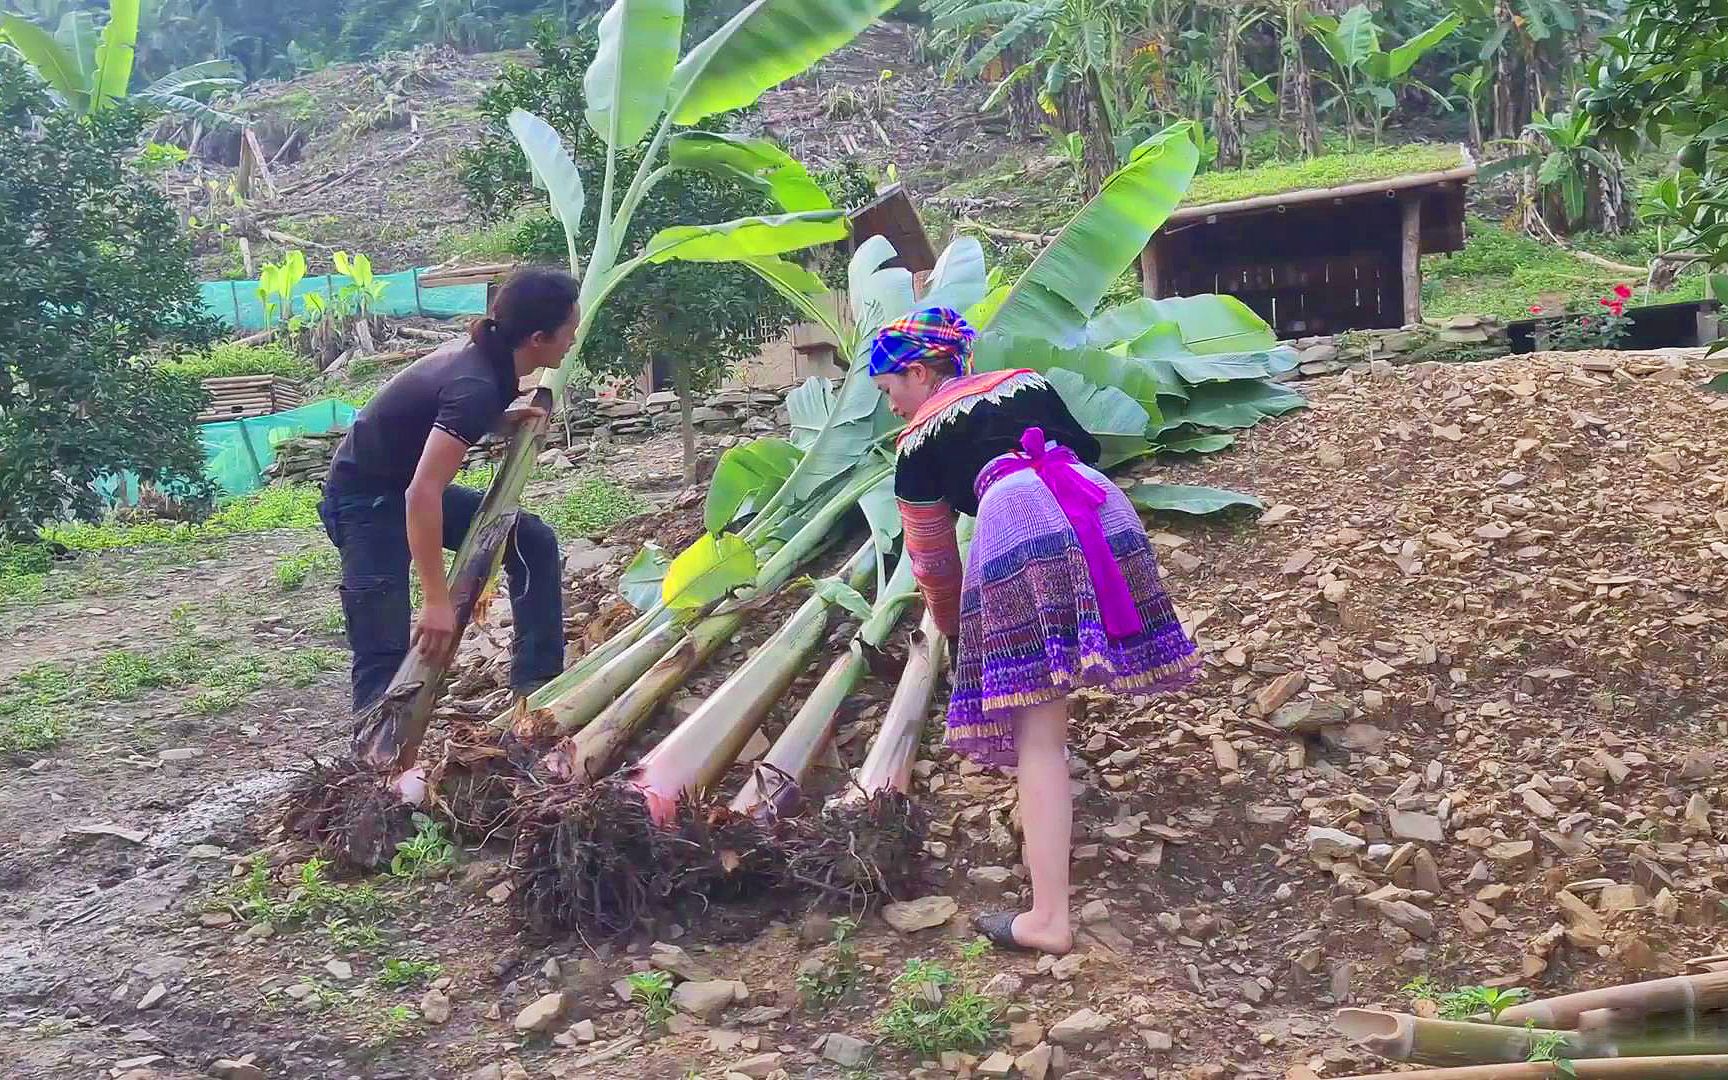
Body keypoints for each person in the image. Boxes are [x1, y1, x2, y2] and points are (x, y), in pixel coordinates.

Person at [872, 307, 1199, 956]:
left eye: (889, 391)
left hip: (1018, 519)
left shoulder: (916, 442)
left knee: (1037, 735)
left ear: (916, 371)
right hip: (1098, 504)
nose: (891, 409)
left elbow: (933, 556)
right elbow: (1091, 448)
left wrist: (950, 624)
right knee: (1058, 696)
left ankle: (1048, 917)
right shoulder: (1025, 381)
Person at [318, 268, 579, 714]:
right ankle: (375, 762)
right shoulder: (476, 384)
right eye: (569, 331)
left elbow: (430, 417)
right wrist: (437, 601)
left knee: (531, 541)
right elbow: (422, 494)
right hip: (364, 501)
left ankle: (536, 686)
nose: (573, 339)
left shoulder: (492, 364)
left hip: (396, 485)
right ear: (538, 337)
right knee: (383, 650)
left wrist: (496, 422)